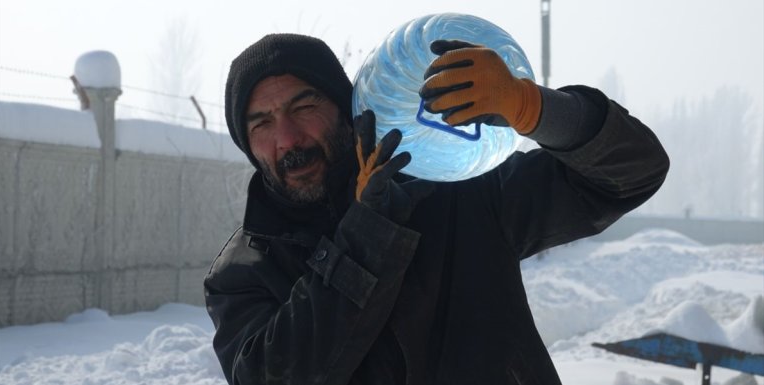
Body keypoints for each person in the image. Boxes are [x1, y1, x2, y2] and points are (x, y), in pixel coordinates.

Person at [204, 33, 669, 385]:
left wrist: (532, 107)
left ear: (346, 110)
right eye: (262, 122)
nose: (287, 139)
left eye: (304, 106)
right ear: (247, 144)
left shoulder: (452, 191)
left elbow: (634, 171)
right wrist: (366, 234)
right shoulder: (242, 273)